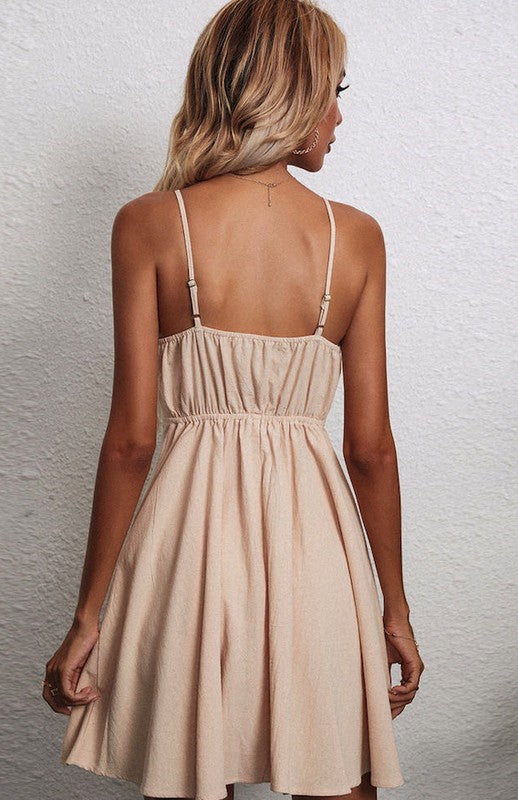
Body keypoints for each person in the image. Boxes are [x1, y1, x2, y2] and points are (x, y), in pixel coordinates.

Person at [42, 1, 425, 798]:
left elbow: (131, 442)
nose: (339, 116)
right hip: (315, 547)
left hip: (188, 549)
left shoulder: (150, 224)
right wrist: (395, 608)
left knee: (188, 771)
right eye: (332, 91)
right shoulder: (355, 238)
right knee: (339, 774)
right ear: (289, 92)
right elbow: (370, 450)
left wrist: (88, 617)